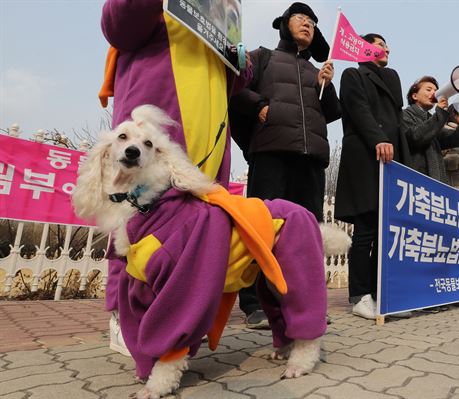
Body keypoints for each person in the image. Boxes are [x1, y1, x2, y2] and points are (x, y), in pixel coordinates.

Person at [100, 0, 253, 352]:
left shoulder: (219, 11)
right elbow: (118, 24)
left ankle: (184, 314)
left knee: (198, 223)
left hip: (210, 132)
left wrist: (240, 60)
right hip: (159, 118)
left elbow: (235, 82)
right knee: (139, 220)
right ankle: (127, 315)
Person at [229, 2, 341, 328]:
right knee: (261, 228)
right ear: (285, 24)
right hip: (271, 152)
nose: (307, 24)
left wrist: (327, 83)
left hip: (310, 159)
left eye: (312, 21)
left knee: (307, 235)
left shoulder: (315, 72)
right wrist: (261, 104)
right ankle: (254, 303)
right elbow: (237, 86)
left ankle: (305, 304)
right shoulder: (264, 56)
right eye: (300, 18)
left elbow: (332, 113)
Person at [334, 33, 409, 320]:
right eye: (379, 44)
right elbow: (359, 110)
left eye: (387, 45)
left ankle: (381, 295)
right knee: (366, 228)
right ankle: (359, 295)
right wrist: (377, 138)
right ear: (364, 48)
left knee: (384, 231)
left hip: (391, 159)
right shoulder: (353, 75)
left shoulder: (390, 77)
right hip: (367, 154)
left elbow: (397, 119)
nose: (386, 48)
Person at [400, 76, 459, 184]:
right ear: (414, 96)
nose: (434, 93)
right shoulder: (404, 115)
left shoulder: (434, 120)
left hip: (437, 182)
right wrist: (440, 113)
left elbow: (457, 138)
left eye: (435, 91)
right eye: (428, 90)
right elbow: (416, 137)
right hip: (415, 180)